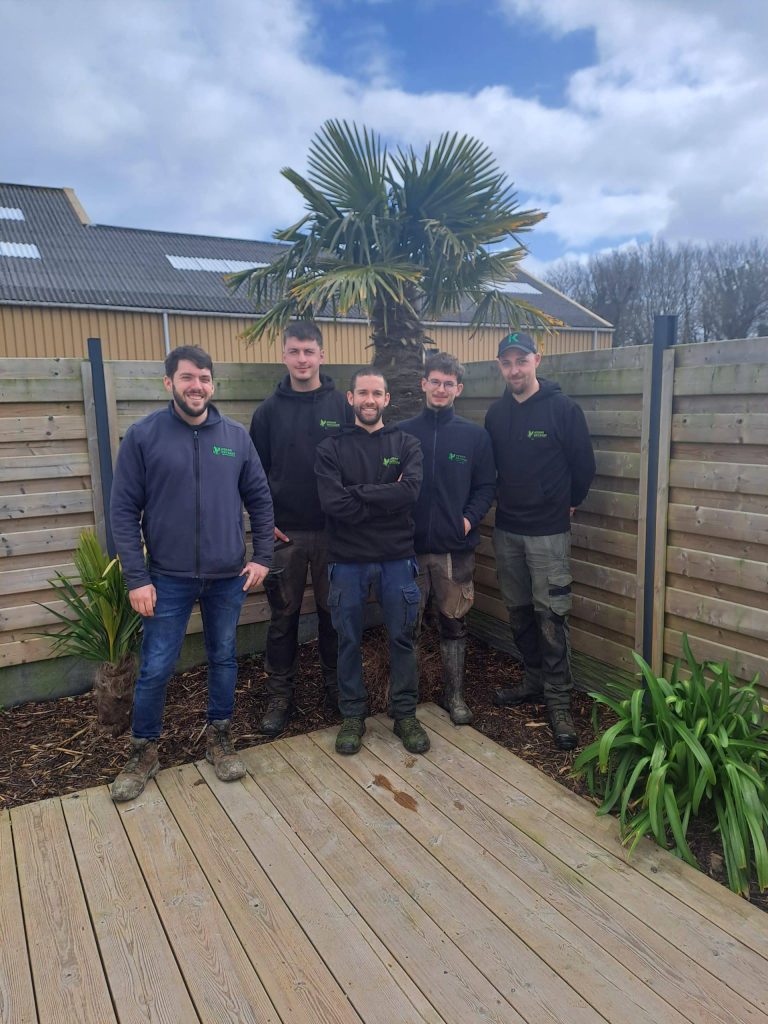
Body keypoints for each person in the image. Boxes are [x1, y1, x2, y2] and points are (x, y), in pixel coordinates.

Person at [109, 345, 274, 801]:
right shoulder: (144, 437)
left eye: (203, 378)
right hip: (166, 578)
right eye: (187, 378)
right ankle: (144, 751)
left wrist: (262, 557)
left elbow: (260, 499)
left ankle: (219, 739)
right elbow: (123, 511)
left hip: (227, 577)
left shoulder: (236, 437)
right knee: (157, 666)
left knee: (224, 658)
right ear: (169, 383)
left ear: (212, 384)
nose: (196, 386)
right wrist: (136, 579)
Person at [484, 332, 595, 750]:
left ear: (537, 361)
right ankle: (532, 680)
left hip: (548, 533)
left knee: (552, 617)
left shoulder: (563, 410)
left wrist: (569, 502)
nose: (515, 369)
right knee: (519, 612)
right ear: (500, 366)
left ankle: (559, 701)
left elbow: (584, 465)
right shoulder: (496, 415)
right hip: (508, 529)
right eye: (507, 362)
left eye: (521, 360)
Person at [315, 368, 427, 756]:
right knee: (348, 639)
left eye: (376, 393)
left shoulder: (406, 443)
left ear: (386, 399)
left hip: (397, 558)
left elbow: (410, 493)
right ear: (350, 398)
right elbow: (332, 503)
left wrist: (357, 495)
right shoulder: (331, 447)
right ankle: (352, 716)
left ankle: (405, 714)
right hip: (347, 560)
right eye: (362, 392)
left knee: (402, 636)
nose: (369, 400)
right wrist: (383, 496)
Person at [249, 321, 352, 735]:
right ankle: (280, 696)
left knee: (334, 615)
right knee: (283, 618)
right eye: (295, 351)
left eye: (310, 351)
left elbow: (358, 463)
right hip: (285, 536)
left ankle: (336, 689)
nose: (303, 359)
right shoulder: (268, 412)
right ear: (284, 356)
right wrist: (265, 522)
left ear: (321, 355)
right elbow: (252, 476)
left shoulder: (341, 407)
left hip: (334, 534)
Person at [399, 352, 496, 725]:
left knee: (453, 622)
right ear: (423, 383)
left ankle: (454, 696)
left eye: (448, 383)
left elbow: (487, 486)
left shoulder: (474, 436)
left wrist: (469, 520)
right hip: (407, 549)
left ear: (459, 388)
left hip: (455, 551)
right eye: (435, 381)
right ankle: (408, 697)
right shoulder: (403, 432)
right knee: (406, 624)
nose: (441, 389)